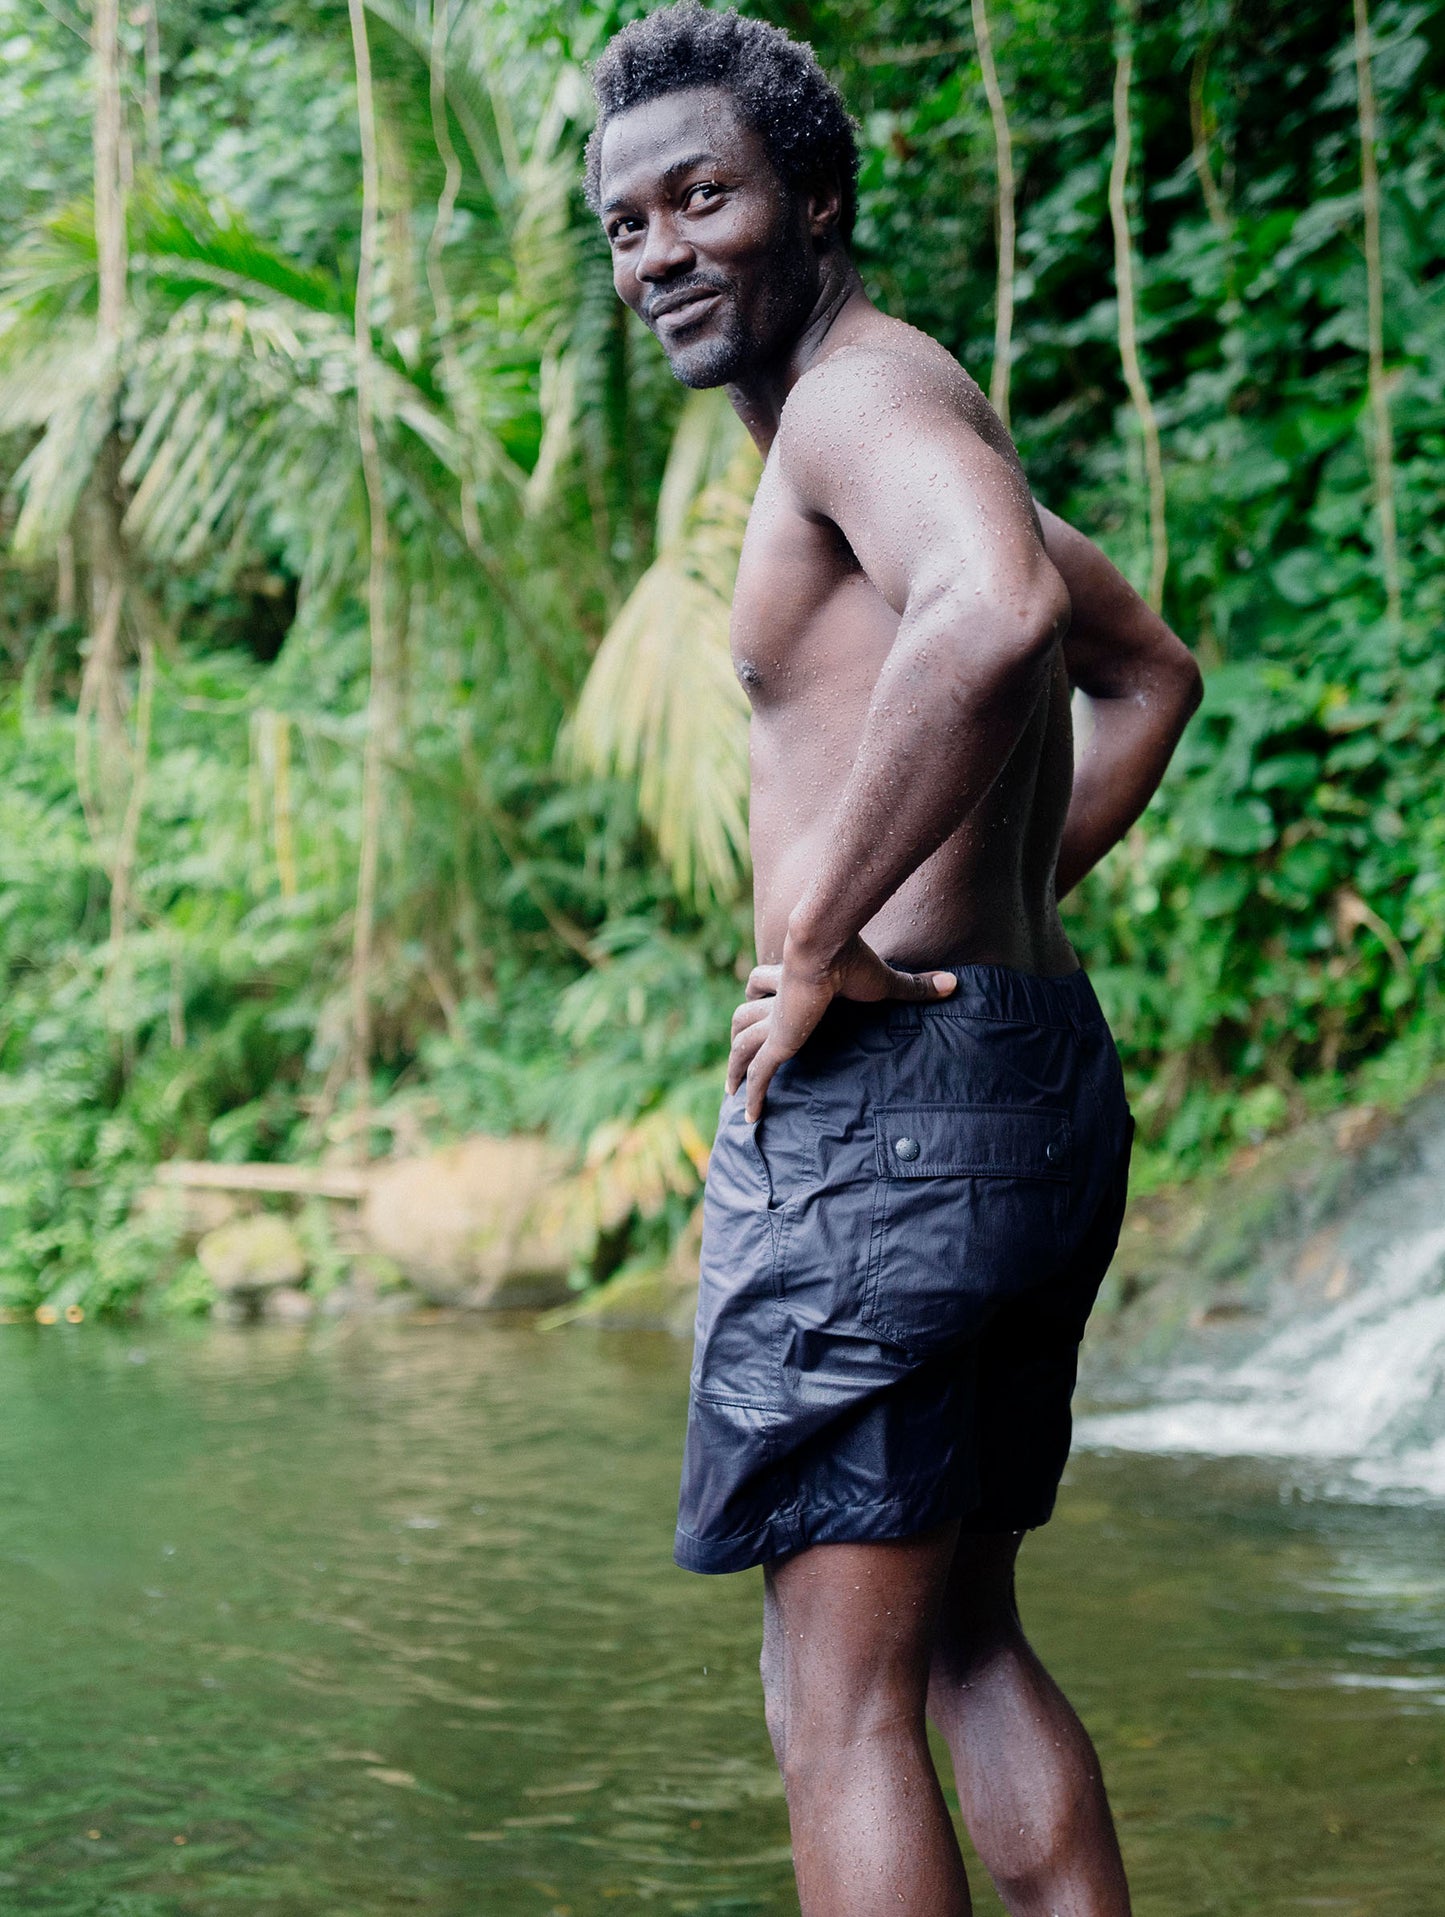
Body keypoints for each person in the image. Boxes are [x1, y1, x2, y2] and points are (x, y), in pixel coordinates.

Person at [585, 9, 1203, 1914]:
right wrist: (995, 902)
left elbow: (1000, 610)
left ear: (815, 199)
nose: (658, 251)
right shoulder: (909, 418)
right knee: (960, 1642)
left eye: (701, 197)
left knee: (833, 1695)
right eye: (624, 225)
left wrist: (817, 932)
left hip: (893, 1114)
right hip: (1016, 1068)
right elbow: (1145, 670)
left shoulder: (856, 405)